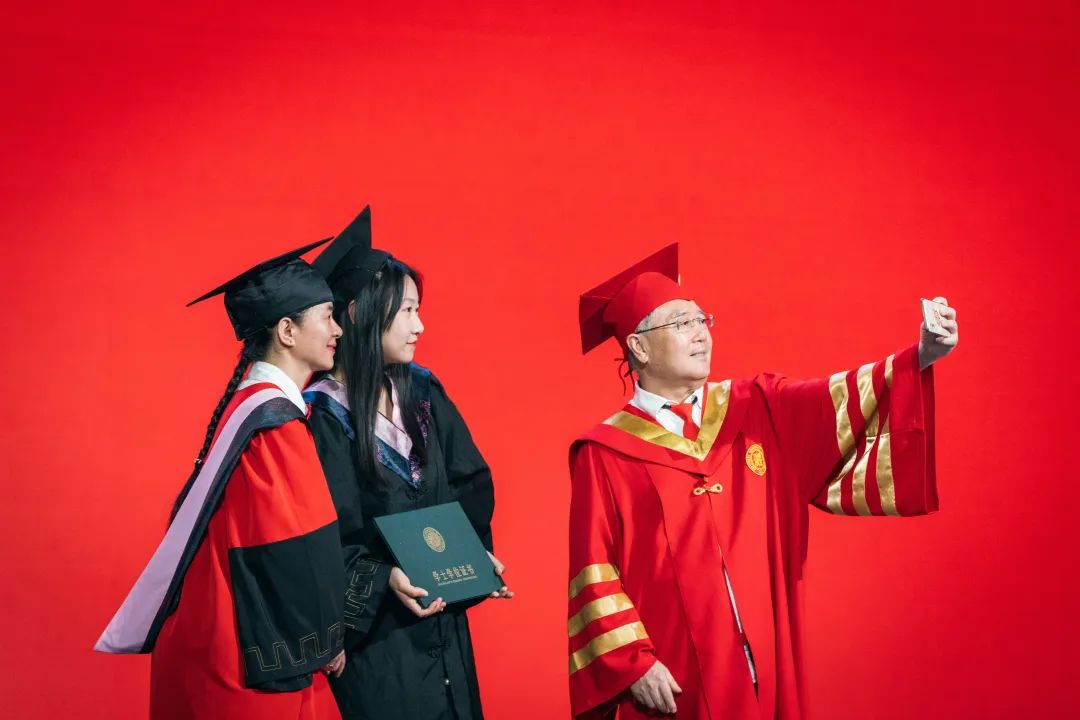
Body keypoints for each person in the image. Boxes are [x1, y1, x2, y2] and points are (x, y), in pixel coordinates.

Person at [567, 243, 958, 720]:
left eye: (702, 320)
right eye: (681, 323)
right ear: (639, 347)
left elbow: (837, 398)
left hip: (765, 661)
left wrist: (921, 356)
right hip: (674, 673)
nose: (701, 334)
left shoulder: (757, 407)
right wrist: (633, 663)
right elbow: (594, 567)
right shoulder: (606, 451)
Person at [95, 239, 347, 720]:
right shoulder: (276, 426)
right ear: (287, 331)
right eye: (328, 316)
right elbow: (297, 548)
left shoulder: (250, 404)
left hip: (211, 624)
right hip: (245, 645)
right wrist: (323, 636)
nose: (337, 330)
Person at [303, 207, 512, 720]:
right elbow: (324, 537)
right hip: (382, 642)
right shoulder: (323, 415)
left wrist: (473, 558)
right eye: (408, 311)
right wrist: (382, 579)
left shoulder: (422, 392)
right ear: (359, 313)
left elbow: (469, 481)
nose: (420, 325)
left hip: (444, 624)